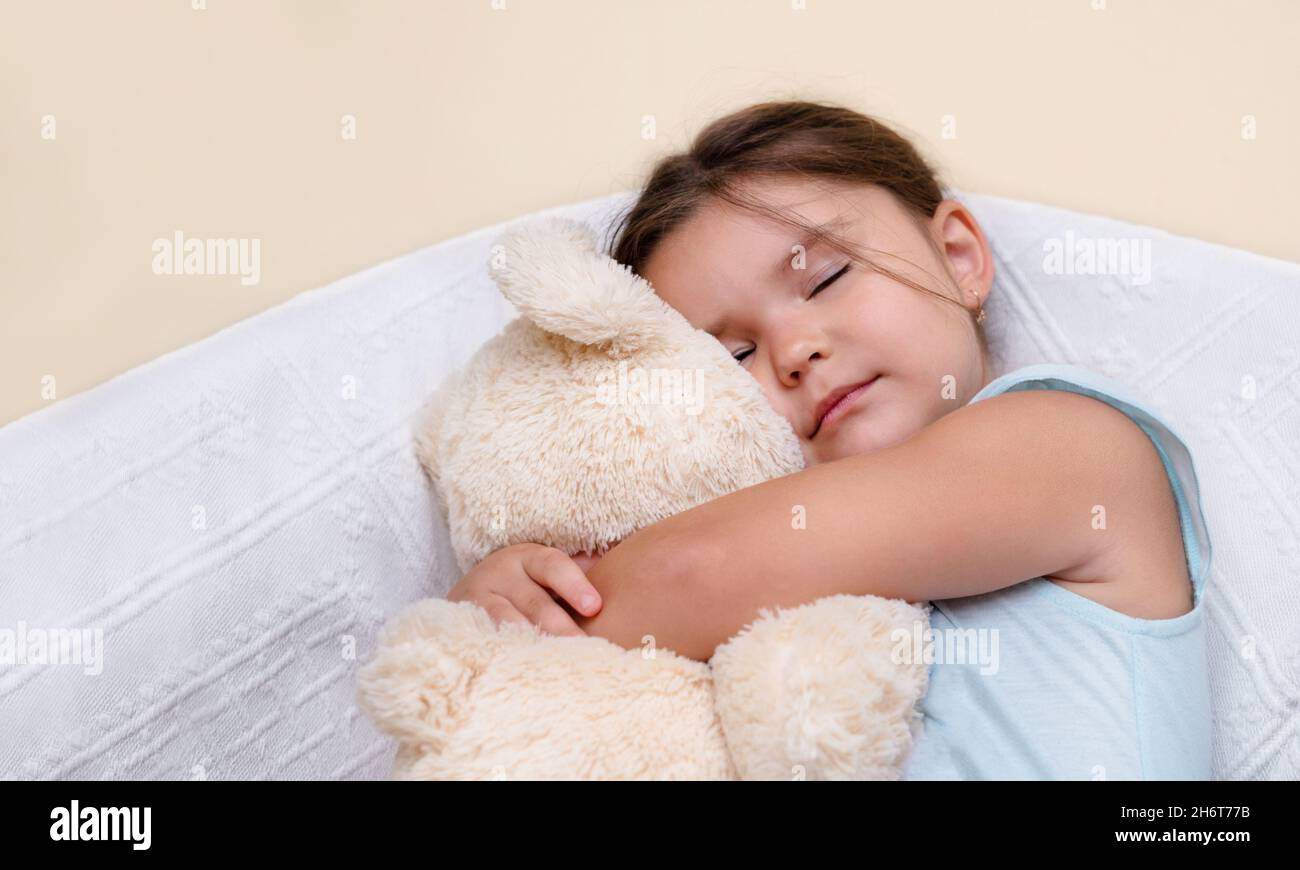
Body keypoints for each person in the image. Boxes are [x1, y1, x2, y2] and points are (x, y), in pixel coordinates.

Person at [447, 100, 1214, 779]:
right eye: (733, 358)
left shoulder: (1073, 446)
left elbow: (695, 570)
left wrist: (528, 614)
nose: (794, 351)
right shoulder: (773, 616)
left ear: (959, 258)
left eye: (824, 278)